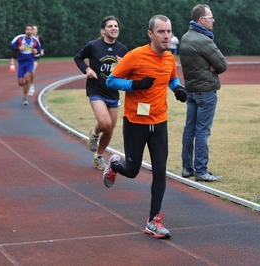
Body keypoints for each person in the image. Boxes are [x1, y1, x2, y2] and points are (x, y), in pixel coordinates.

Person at [105, 14, 187, 239]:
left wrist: (177, 88)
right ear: (150, 34)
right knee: (132, 171)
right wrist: (134, 85)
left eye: (169, 31)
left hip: (159, 122)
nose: (166, 35)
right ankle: (114, 165)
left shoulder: (170, 58)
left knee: (160, 170)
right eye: (161, 31)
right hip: (135, 122)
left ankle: (153, 221)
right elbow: (110, 81)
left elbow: (171, 79)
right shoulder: (135, 56)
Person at [179, 4, 227, 182]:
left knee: (189, 130)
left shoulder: (185, 37)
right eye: (210, 17)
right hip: (206, 91)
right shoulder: (204, 40)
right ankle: (201, 171)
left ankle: (187, 168)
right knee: (202, 132)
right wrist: (212, 67)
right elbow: (222, 65)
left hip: (191, 90)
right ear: (201, 20)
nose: (213, 20)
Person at [74, 16, 128, 171]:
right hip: (96, 89)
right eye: (110, 26)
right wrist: (87, 69)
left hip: (113, 92)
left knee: (110, 129)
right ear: (104, 30)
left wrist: (122, 63)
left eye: (116, 26)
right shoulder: (93, 45)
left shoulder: (122, 49)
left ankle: (98, 156)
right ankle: (95, 132)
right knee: (105, 123)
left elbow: (127, 72)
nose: (114, 28)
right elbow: (78, 58)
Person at [10, 23, 41, 106]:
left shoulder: (35, 40)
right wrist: (18, 48)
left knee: (27, 78)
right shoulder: (19, 38)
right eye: (28, 30)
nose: (29, 31)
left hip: (30, 62)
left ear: (32, 31)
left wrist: (36, 51)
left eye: (31, 30)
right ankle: (26, 87)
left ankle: (24, 98)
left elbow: (39, 49)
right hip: (21, 62)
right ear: (25, 30)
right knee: (20, 83)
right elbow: (11, 45)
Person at [28, 25, 45, 96]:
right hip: (28, 57)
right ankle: (28, 84)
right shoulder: (28, 38)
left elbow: (43, 44)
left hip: (36, 57)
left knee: (32, 71)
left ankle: (31, 86)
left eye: (35, 29)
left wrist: (42, 50)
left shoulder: (39, 38)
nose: (34, 30)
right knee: (28, 72)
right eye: (33, 29)